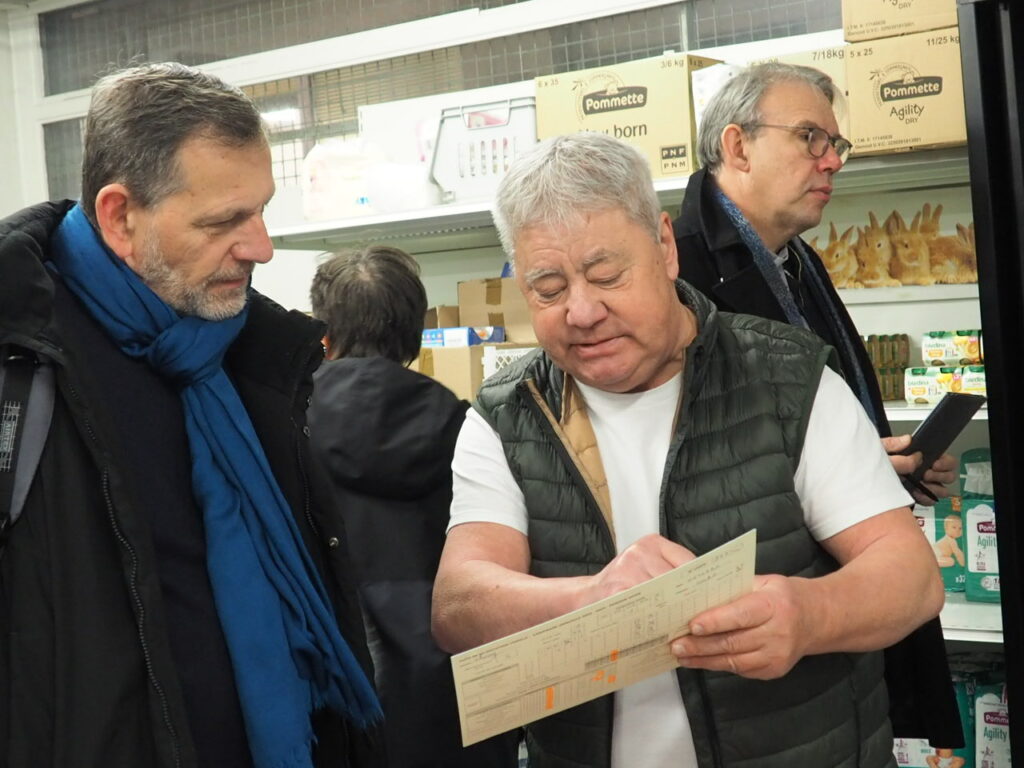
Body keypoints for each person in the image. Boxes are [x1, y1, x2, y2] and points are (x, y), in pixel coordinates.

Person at [431, 131, 945, 768]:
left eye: (606, 274)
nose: (582, 311)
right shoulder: (506, 415)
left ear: (666, 248)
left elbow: (911, 577)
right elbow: (457, 605)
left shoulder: (789, 380)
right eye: (548, 289)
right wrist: (589, 601)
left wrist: (810, 614)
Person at [0, 62, 383, 768]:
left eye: (262, 208)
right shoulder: (24, 363)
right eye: (224, 221)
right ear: (120, 216)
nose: (261, 247)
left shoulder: (249, 352)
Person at [671, 61, 963, 746]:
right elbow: (692, 463)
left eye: (837, 144)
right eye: (810, 138)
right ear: (736, 145)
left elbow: (814, 416)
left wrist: (882, 465)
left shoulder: (798, 262)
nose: (832, 161)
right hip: (753, 633)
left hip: (835, 610)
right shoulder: (678, 271)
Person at [307, 246, 518, 768]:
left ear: (324, 335)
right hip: (458, 703)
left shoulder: (284, 429)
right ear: (416, 334)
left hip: (333, 698)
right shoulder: (472, 429)